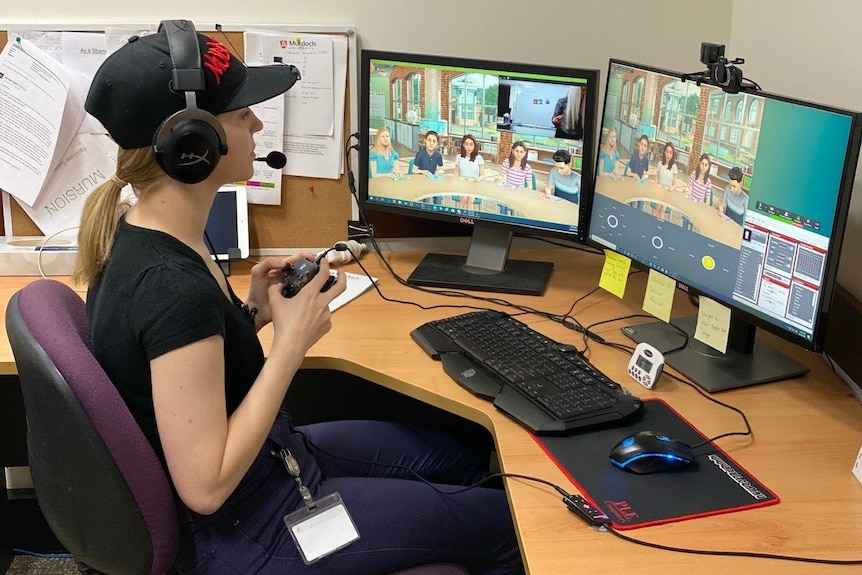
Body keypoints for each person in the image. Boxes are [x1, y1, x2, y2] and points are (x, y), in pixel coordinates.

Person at [75, 20, 524, 575]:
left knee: (463, 455)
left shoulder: (149, 234)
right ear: (194, 145)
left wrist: (254, 315)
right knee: (511, 525)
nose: (259, 122)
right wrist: (291, 346)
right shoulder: (168, 286)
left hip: (276, 460)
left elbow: (182, 368)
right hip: (252, 529)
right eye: (242, 116)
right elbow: (205, 487)